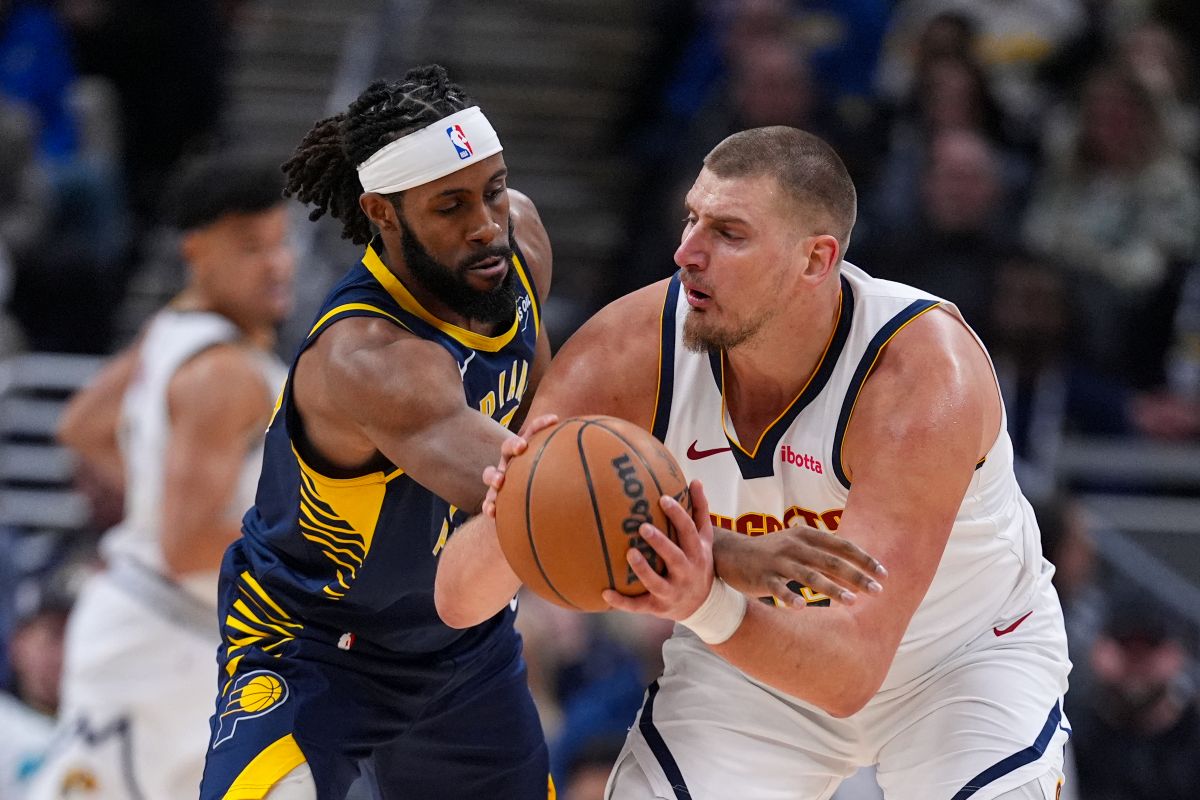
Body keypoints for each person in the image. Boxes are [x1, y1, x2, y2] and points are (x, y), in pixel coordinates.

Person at [198, 65, 883, 800]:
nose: (485, 224)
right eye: (450, 206)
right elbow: (544, 485)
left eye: (492, 189)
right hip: (320, 648)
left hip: (465, 649)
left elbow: (552, 420)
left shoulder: (517, 240)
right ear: (383, 214)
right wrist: (733, 552)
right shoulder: (367, 358)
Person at [436, 126, 1072, 798]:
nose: (687, 253)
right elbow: (458, 598)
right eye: (691, 220)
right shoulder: (628, 352)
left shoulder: (920, 376)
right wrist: (520, 507)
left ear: (815, 259)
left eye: (728, 234)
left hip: (960, 661)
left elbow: (850, 670)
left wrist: (703, 596)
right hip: (752, 654)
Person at [28, 152, 293, 799]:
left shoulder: (171, 328)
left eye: (279, 242)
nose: (276, 264)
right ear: (196, 252)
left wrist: (155, 492)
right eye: (250, 247)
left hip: (163, 629)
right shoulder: (223, 372)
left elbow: (83, 425)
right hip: (164, 639)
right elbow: (187, 544)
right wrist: (330, 545)